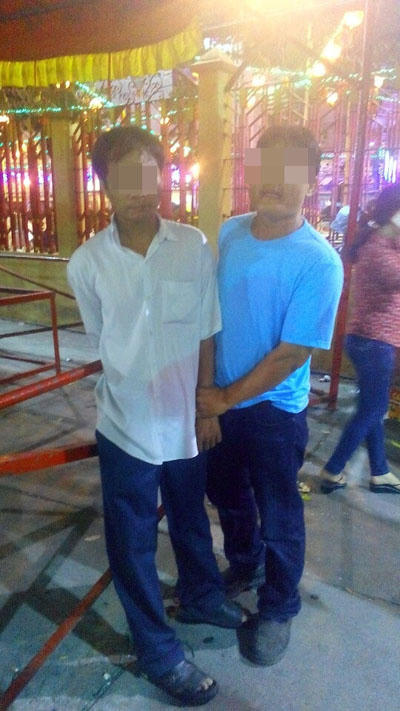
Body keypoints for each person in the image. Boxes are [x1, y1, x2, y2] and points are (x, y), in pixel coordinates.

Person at [67, 126, 244, 707]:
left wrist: (206, 401)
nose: (139, 190)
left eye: (148, 174)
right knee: (133, 543)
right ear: (104, 185)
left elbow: (207, 327)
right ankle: (158, 652)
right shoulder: (88, 263)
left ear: (163, 178)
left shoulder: (193, 245)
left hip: (185, 420)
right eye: (124, 177)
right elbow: (103, 337)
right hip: (126, 426)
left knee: (191, 517)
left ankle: (202, 596)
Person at [196, 125, 344, 667]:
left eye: (288, 171)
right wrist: (208, 396)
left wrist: (223, 399)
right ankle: (246, 562)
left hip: (274, 412)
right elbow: (209, 319)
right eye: (264, 168)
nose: (273, 182)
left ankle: (279, 606)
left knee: (280, 513)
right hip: (222, 402)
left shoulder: (318, 261)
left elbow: (292, 354)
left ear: (312, 180)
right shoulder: (231, 232)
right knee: (226, 495)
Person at [319, 183, 400, 495]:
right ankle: (333, 469)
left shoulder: (384, 245)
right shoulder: (380, 250)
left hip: (370, 340)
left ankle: (379, 471)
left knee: (371, 408)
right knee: (372, 410)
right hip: (373, 342)